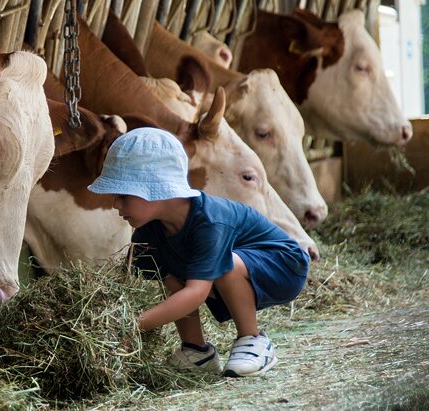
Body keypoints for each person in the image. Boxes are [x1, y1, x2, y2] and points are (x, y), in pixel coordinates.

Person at [87, 127, 311, 377]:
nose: (115, 204)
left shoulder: (210, 221)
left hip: (283, 265)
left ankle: (253, 340)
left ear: (155, 188)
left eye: (124, 195)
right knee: (173, 271)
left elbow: (195, 294)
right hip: (235, 268)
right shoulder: (149, 232)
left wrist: (133, 324)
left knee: (227, 262)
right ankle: (196, 351)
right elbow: (173, 287)